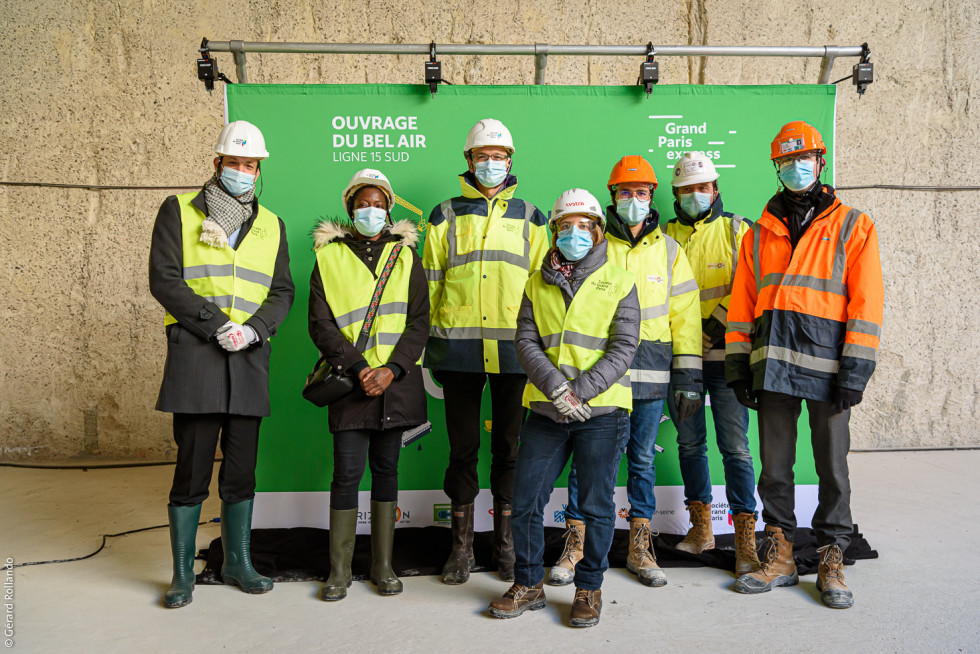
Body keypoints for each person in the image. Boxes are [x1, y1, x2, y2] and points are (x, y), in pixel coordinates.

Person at [727, 121, 883, 609]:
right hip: (773, 367)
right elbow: (740, 306)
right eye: (786, 162)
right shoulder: (757, 234)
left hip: (831, 372)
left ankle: (832, 556)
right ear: (777, 169)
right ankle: (781, 555)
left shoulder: (854, 226)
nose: (796, 168)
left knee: (831, 467)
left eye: (805, 159)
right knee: (774, 468)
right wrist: (738, 366)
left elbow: (866, 304)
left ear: (820, 163)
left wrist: (855, 370)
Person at [149, 120, 294, 608]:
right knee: (191, 469)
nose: (243, 171)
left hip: (249, 359)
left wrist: (253, 329)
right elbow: (165, 279)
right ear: (217, 164)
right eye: (235, 163)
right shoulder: (179, 212)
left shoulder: (272, 224)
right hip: (198, 357)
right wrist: (216, 325)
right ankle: (182, 575)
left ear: (259, 170)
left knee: (241, 471)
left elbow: (282, 291)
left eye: (250, 165)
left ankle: (238, 562)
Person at [488, 189, 638, 627]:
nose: (574, 233)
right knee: (525, 498)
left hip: (602, 414)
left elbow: (624, 347)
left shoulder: (621, 279)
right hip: (546, 412)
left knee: (595, 506)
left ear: (597, 231)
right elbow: (525, 340)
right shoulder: (536, 281)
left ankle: (589, 589)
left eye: (583, 226)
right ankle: (529, 583)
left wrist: (582, 392)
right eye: (565, 226)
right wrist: (557, 389)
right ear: (554, 231)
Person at [549, 156, 702, 588]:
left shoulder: (670, 250)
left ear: (652, 196)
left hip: (652, 377)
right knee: (588, 463)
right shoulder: (595, 246)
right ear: (611, 196)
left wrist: (688, 375)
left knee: (640, 460)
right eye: (624, 192)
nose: (632, 200)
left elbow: (685, 315)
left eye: (641, 192)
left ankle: (640, 546)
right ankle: (575, 546)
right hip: (600, 378)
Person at [422, 119, 549, 584]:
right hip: (457, 352)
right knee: (463, 449)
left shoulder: (532, 217)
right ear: (468, 160)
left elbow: (543, 290)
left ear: (510, 160)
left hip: (516, 354)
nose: (491, 163)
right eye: (483, 155)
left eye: (499, 155)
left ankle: (507, 545)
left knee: (510, 451)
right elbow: (430, 284)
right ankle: (461, 547)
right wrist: (424, 352)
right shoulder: (444, 214)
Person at [308, 168, 429, 601]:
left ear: (389, 208)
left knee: (387, 472)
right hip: (351, 380)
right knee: (346, 475)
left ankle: (383, 566)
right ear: (349, 208)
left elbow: (419, 321)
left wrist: (392, 369)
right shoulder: (328, 257)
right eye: (363, 204)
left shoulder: (407, 256)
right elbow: (320, 324)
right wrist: (360, 367)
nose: (371, 211)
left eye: (379, 204)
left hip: (393, 384)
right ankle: (338, 570)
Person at [662, 152, 760, 576]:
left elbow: (752, 283)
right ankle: (701, 529)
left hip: (726, 358)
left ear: (716, 189)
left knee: (735, 447)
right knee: (689, 443)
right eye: (686, 189)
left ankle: (745, 540)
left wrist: (714, 327)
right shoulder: (662, 234)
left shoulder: (739, 229)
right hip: (679, 359)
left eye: (702, 187)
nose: (694, 195)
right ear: (674, 194)